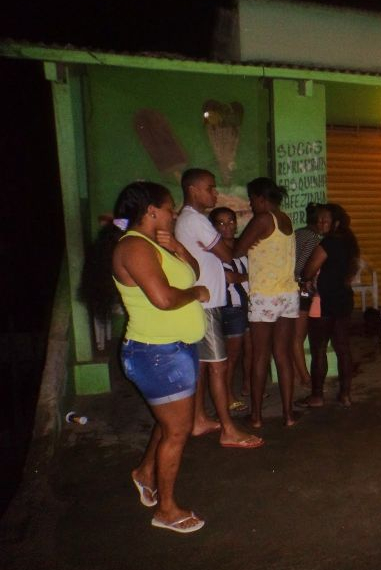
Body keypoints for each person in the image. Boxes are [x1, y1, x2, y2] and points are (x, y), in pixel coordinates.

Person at [106, 181, 208, 532]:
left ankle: (144, 472)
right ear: (151, 211)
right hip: (156, 353)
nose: (173, 213)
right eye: (169, 208)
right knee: (177, 431)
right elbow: (164, 299)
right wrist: (195, 293)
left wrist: (178, 247)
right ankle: (166, 510)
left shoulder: (155, 244)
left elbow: (193, 270)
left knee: (170, 424)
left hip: (176, 348)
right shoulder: (134, 247)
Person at [174, 168, 263, 449]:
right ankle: (228, 429)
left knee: (203, 366)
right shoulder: (196, 221)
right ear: (193, 190)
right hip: (207, 303)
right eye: (210, 188)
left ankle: (199, 419)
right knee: (218, 367)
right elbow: (227, 253)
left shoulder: (190, 220)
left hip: (203, 302)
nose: (215, 193)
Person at [234, 177, 299, 427]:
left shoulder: (262, 219)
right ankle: (288, 414)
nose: (251, 204)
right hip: (287, 294)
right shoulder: (285, 219)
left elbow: (237, 251)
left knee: (260, 356)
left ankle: (257, 416)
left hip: (265, 295)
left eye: (252, 199)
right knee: (282, 355)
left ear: (261, 198)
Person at [297, 203, 359, 407]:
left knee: (319, 348)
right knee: (343, 348)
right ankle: (345, 394)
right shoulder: (350, 243)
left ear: (336, 223)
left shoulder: (327, 244)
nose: (320, 223)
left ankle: (317, 396)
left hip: (322, 301)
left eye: (325, 220)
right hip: (343, 299)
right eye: (319, 220)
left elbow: (308, 270)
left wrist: (306, 276)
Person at [208, 207, 252, 412]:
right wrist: (250, 276)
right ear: (214, 227)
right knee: (230, 357)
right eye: (221, 223)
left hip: (246, 306)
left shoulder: (242, 247)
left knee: (249, 350)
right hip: (229, 308)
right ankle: (227, 395)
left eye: (231, 221)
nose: (228, 226)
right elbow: (229, 278)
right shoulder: (215, 252)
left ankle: (246, 387)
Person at [292, 202, 326, 386]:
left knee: (296, 337)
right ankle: (305, 377)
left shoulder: (298, 233)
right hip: (301, 290)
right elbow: (301, 267)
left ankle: (300, 374)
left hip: (293, 289)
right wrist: (305, 280)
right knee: (298, 337)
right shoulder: (313, 238)